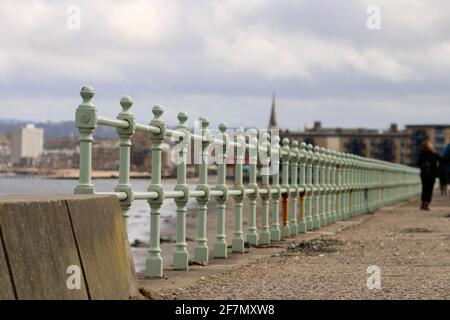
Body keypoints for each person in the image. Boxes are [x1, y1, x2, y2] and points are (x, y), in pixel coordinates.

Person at [417, 140, 441, 210]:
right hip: (425, 174)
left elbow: (442, 160)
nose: (432, 145)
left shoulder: (434, 154)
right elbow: (418, 164)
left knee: (429, 189)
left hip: (432, 174)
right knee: (425, 189)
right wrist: (424, 165)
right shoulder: (422, 153)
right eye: (430, 144)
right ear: (427, 146)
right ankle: (423, 203)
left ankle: (426, 204)